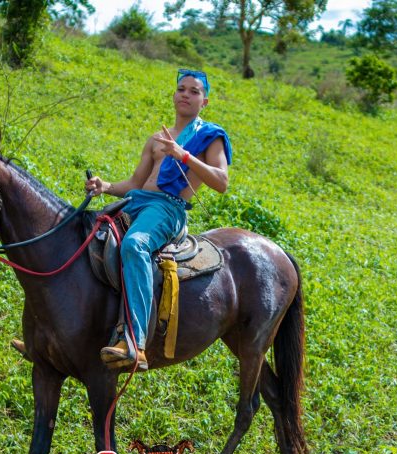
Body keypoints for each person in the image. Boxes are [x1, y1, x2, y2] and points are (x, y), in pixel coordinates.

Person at [12, 68, 232, 371]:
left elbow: (222, 182)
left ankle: (135, 340)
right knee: (78, 239)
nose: (186, 94)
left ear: (204, 101)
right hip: (136, 202)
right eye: (181, 88)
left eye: (194, 91)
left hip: (168, 208)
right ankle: (44, 337)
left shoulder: (210, 137)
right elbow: (135, 183)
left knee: (135, 245)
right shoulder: (156, 139)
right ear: (174, 94)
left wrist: (184, 156)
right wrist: (105, 187)